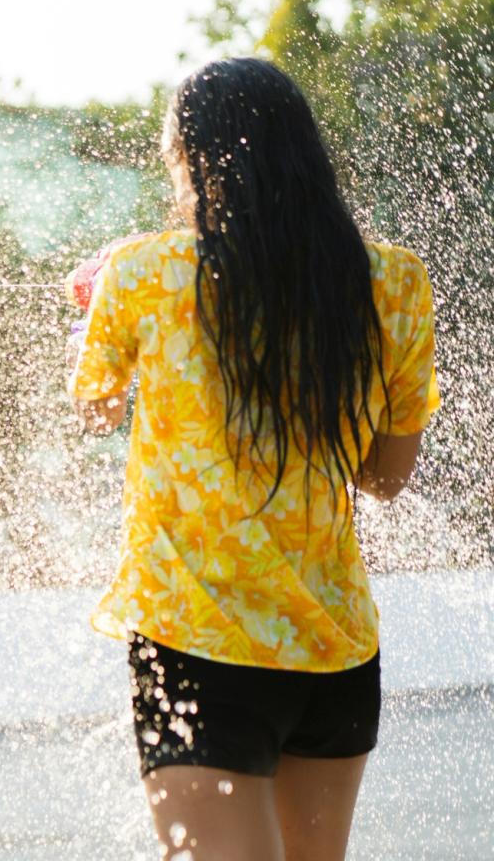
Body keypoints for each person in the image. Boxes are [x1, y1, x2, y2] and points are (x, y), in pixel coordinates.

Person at [69, 58, 439, 860]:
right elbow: (385, 478)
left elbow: (96, 410)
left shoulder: (143, 273)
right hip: (336, 649)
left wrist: (96, 304)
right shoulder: (394, 283)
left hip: (197, 642)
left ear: (188, 157)